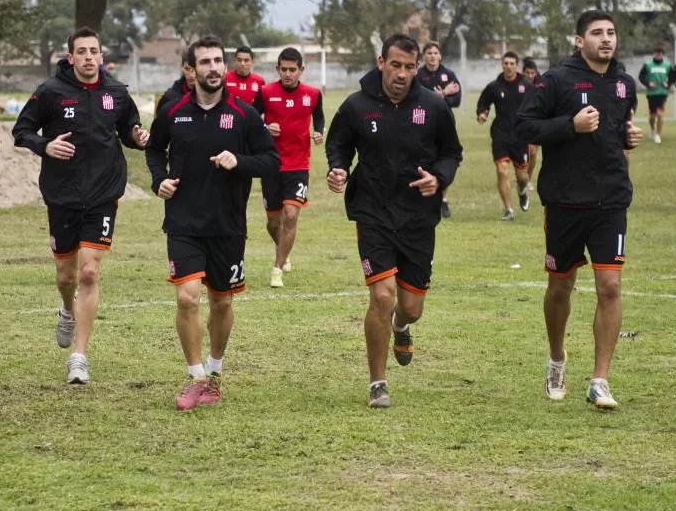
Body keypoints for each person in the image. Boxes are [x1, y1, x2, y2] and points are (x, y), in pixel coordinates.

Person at [326, 34, 462, 409]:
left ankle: (401, 327)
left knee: (411, 308)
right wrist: (337, 169)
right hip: (372, 213)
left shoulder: (433, 106)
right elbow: (337, 145)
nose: (402, 74)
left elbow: (452, 153)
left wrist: (439, 177)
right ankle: (377, 383)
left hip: (418, 216)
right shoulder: (356, 106)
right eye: (396, 64)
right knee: (382, 296)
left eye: (409, 66)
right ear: (381, 61)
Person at [515, 10, 643, 410]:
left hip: (612, 199)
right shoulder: (556, 80)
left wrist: (629, 136)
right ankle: (556, 357)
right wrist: (570, 126)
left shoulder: (624, 84)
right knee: (560, 286)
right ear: (578, 40)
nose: (606, 39)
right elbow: (524, 128)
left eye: (611, 33)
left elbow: (619, 131)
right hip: (566, 200)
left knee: (610, 286)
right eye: (596, 33)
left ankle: (600, 380)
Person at [146, 36, 279, 410]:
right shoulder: (172, 111)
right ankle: (195, 376)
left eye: (218, 61)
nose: (214, 68)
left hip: (227, 225)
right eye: (205, 62)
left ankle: (215, 372)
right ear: (191, 70)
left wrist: (240, 161)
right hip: (184, 223)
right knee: (187, 297)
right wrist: (159, 180)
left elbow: (270, 161)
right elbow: (154, 150)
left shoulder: (243, 114)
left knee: (221, 303)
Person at [12, 27, 149, 385]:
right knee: (66, 276)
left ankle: (79, 356)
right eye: (82, 52)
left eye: (94, 51)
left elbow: (128, 130)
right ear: (70, 57)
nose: (89, 57)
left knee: (89, 272)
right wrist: (45, 146)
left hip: (104, 193)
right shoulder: (50, 92)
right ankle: (66, 308)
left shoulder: (116, 92)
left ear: (101, 56)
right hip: (62, 194)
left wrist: (138, 136)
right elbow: (21, 131)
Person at [252, 47, 325, 287]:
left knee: (291, 215)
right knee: (274, 222)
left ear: (301, 70)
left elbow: (319, 116)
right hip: (270, 164)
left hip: (298, 165)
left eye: (292, 70)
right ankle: (283, 247)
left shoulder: (313, 94)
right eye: (283, 69)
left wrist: (318, 131)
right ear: (277, 69)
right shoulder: (265, 92)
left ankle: (277, 269)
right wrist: (265, 127)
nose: (288, 74)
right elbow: (250, 121)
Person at [476, 51, 532, 220]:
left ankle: (522, 190)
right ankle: (509, 210)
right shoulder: (494, 86)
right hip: (501, 134)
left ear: (517, 65)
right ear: (502, 65)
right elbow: (483, 103)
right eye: (505, 63)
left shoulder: (527, 86)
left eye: (511, 64)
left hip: (521, 135)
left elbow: (538, 104)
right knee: (502, 170)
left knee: (522, 176)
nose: (508, 67)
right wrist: (482, 113)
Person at [415, 41, 461, 219]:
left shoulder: (449, 75)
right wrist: (442, 94)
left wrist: (444, 98)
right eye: (429, 53)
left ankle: (442, 196)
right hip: (420, 120)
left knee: (443, 158)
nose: (433, 56)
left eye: (435, 53)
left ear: (440, 56)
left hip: (444, 122)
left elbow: (456, 100)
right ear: (424, 56)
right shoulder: (418, 75)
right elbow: (416, 98)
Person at [637, 46, 672, 144]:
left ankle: (658, 135)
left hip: (662, 93)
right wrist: (648, 83)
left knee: (660, 114)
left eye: (660, 53)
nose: (658, 54)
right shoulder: (648, 65)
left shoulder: (667, 66)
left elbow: (673, 77)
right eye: (657, 53)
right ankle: (652, 129)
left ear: (662, 55)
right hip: (652, 94)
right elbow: (641, 77)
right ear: (654, 54)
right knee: (652, 116)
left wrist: (668, 84)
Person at [521, 57, 544, 180]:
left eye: (532, 73)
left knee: (533, 153)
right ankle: (521, 175)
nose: (530, 76)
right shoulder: (518, 83)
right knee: (523, 153)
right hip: (520, 122)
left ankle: (527, 178)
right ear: (523, 72)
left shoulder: (540, 83)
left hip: (536, 121)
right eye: (527, 73)